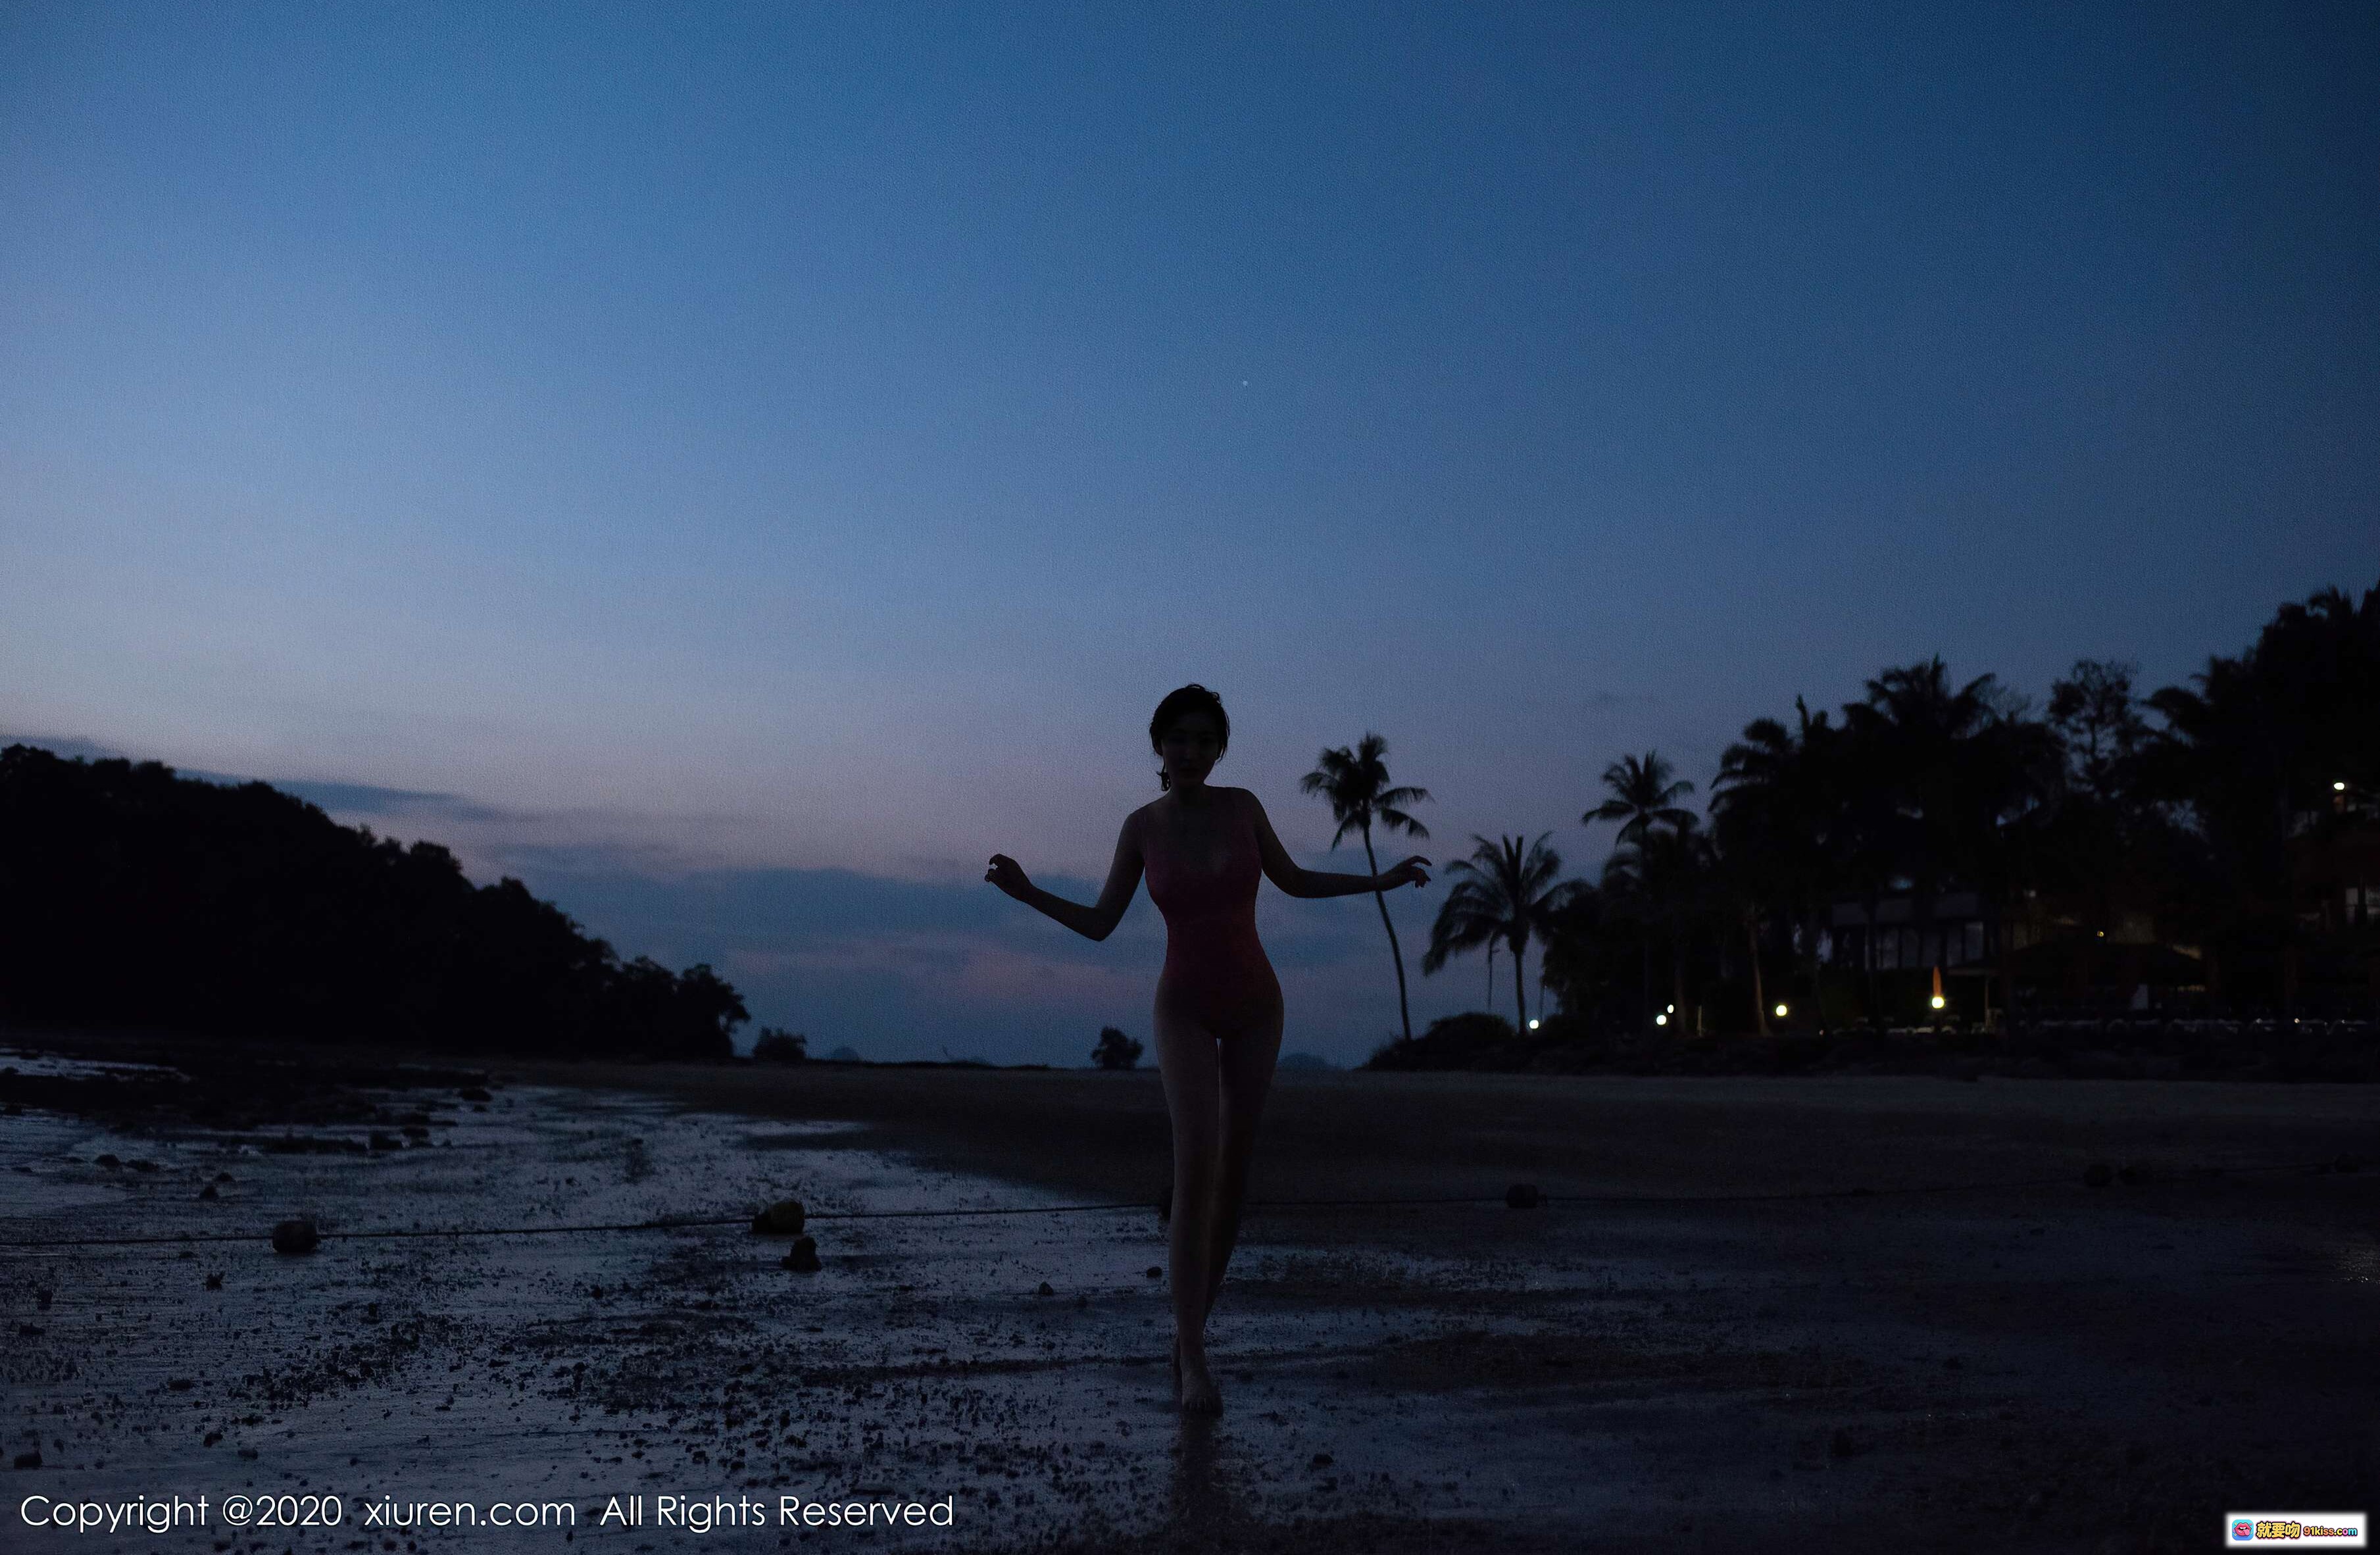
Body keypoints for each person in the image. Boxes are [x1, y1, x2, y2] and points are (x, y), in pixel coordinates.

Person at [985, 685, 1429, 1413]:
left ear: (1220, 749)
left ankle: (1189, 1333)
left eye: (1202, 739)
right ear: (1157, 748)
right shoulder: (1141, 826)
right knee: (1195, 1172)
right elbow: (1102, 923)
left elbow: (1295, 880)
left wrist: (1378, 879)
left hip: (1257, 1006)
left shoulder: (1244, 807)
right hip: (1183, 1006)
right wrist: (1028, 894)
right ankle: (1193, 1356)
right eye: (1176, 739)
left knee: (1236, 1182)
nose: (1188, 751)